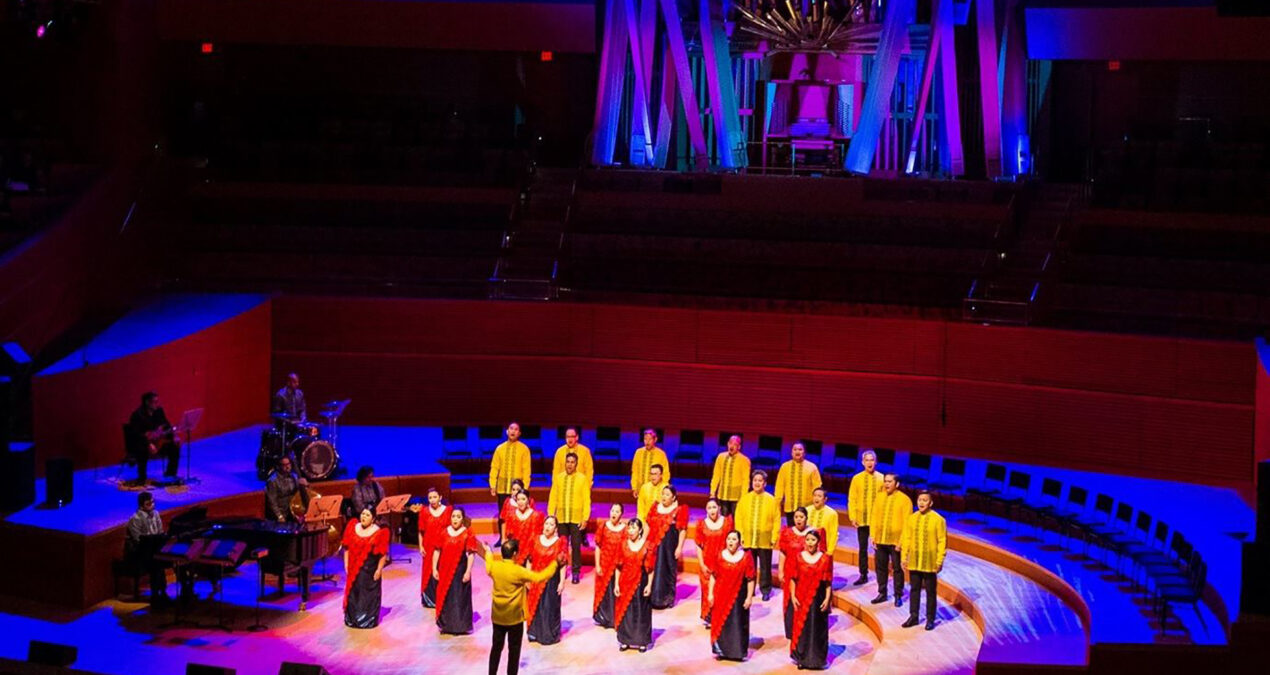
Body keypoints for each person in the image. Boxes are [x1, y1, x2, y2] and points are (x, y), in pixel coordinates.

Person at [482, 539, 560, 675]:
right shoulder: (519, 571)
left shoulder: (495, 567)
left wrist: (488, 551)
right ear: (515, 554)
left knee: (496, 648)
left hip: (498, 617)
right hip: (514, 618)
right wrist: (555, 564)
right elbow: (540, 577)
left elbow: (488, 563)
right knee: (514, 650)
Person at [901, 491, 947, 631]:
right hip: (915, 560)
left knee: (930, 591)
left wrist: (940, 561)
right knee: (914, 589)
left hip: (930, 562)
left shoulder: (938, 520)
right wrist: (904, 557)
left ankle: (930, 619)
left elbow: (942, 541)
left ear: (930, 503)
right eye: (920, 500)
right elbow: (907, 538)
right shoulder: (912, 518)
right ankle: (913, 616)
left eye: (925, 500)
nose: (921, 502)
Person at [789, 529, 834, 669]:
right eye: (807, 539)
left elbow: (828, 582)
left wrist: (827, 599)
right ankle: (802, 659)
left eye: (813, 540)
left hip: (818, 600)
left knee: (818, 629)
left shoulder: (825, 558)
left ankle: (817, 660)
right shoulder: (798, 557)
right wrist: (793, 596)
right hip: (801, 599)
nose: (810, 543)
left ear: (818, 542)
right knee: (803, 629)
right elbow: (793, 579)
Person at [708, 530, 755, 662]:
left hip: (738, 598)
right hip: (720, 596)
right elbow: (713, 575)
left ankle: (737, 652)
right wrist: (710, 594)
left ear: (739, 542)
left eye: (734, 539)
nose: (731, 542)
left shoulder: (745, 557)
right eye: (729, 539)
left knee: (737, 623)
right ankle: (721, 650)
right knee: (720, 623)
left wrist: (749, 597)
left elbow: (751, 578)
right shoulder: (719, 556)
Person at [735, 469, 781, 601]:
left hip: (765, 539)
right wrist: (740, 536)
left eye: (760, 481)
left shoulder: (771, 500)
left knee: (765, 566)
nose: (757, 483)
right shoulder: (745, 499)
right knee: (750, 566)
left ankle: (765, 589)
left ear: (765, 483)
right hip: (748, 538)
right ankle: (750, 589)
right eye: (755, 480)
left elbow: (777, 519)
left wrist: (773, 537)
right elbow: (738, 518)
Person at [434, 507, 481, 634]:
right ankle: (446, 625)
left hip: (459, 570)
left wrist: (468, 571)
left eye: (458, 517)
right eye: (453, 516)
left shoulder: (467, 533)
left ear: (462, 519)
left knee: (459, 598)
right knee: (446, 597)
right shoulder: (444, 532)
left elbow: (471, 554)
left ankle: (460, 626)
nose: (455, 519)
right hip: (444, 570)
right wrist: (434, 568)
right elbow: (437, 550)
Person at [779, 507, 823, 639]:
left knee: (804, 600)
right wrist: (780, 570)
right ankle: (791, 630)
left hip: (806, 574)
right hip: (790, 572)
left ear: (806, 518)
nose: (798, 519)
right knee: (789, 599)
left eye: (801, 517)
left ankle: (805, 629)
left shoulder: (813, 534)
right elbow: (783, 552)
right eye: (796, 517)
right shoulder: (787, 533)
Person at [548, 452, 592, 583]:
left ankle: (576, 572)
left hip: (576, 518)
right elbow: (553, 497)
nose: (570, 464)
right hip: (561, 518)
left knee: (576, 545)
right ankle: (561, 569)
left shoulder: (582, 478)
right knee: (562, 546)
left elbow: (586, 499)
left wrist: (585, 518)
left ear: (576, 464)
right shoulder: (559, 478)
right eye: (568, 462)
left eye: (573, 462)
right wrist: (551, 515)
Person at [342, 507, 390, 628]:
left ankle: (366, 620)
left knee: (366, 595)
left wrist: (379, 569)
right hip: (354, 569)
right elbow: (346, 548)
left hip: (369, 570)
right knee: (354, 593)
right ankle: (352, 619)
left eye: (367, 515)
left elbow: (382, 554)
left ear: (373, 518)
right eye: (363, 514)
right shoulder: (353, 527)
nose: (363, 517)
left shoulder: (379, 532)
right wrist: (346, 564)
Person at [869, 473, 912, 607]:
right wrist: (873, 535)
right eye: (885, 481)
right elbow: (874, 516)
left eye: (889, 482)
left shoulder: (905, 500)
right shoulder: (879, 497)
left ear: (897, 484)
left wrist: (902, 542)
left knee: (897, 568)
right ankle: (882, 592)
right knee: (880, 567)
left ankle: (898, 594)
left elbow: (907, 523)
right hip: (880, 539)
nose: (886, 484)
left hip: (896, 541)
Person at [525, 516, 569, 644]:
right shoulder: (535, 539)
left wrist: (562, 582)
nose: (547, 527)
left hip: (551, 582)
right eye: (546, 524)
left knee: (549, 608)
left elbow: (562, 564)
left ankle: (549, 635)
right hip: (536, 579)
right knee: (535, 606)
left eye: (551, 524)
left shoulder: (559, 542)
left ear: (555, 528)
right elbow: (529, 560)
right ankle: (534, 632)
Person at [613, 518, 655, 652]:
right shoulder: (623, 544)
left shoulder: (647, 545)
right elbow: (618, 567)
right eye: (629, 528)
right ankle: (625, 640)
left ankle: (641, 640)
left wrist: (649, 585)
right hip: (624, 582)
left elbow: (650, 568)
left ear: (640, 530)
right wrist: (616, 584)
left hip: (640, 583)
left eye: (634, 528)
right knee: (626, 612)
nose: (631, 531)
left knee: (641, 612)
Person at [645, 485, 689, 610]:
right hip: (654, 544)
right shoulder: (655, 507)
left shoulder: (679, 510)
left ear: (674, 497)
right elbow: (648, 525)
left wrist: (679, 547)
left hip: (669, 546)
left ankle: (666, 599)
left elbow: (682, 530)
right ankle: (651, 597)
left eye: (667, 494)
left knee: (667, 569)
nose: (664, 497)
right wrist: (643, 541)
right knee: (652, 567)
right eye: (663, 494)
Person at [693, 498, 733, 627]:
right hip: (707, 563)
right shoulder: (701, 524)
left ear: (719, 508)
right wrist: (701, 564)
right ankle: (709, 617)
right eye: (709, 508)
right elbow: (699, 545)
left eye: (714, 507)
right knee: (707, 591)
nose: (712, 510)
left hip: (722, 562)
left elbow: (732, 542)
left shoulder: (727, 523)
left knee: (722, 590)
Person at [490, 422, 532, 543]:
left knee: (517, 514)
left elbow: (527, 470)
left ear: (519, 433)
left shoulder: (524, 449)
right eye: (511, 428)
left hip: (518, 490)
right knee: (503, 514)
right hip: (503, 488)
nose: (513, 431)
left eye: (516, 429)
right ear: (507, 431)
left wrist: (525, 489)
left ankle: (516, 538)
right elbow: (494, 468)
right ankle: (501, 538)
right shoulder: (500, 448)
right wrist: (493, 484)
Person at [126, 391, 179, 484]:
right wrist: (148, 444)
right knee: (141, 450)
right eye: (154, 402)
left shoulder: (159, 411)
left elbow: (167, 425)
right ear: (147, 402)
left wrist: (174, 436)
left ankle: (170, 474)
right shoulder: (137, 415)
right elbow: (135, 434)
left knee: (174, 447)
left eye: (157, 402)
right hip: (142, 444)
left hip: (157, 443)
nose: (156, 404)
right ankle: (142, 478)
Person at [847, 450, 884, 585]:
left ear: (876, 462)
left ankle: (881, 576)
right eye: (867, 460)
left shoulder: (881, 478)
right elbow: (852, 498)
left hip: (877, 521)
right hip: (862, 519)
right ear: (863, 462)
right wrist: (852, 516)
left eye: (872, 460)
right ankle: (863, 574)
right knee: (863, 548)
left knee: (878, 549)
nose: (869, 462)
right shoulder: (857, 478)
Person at [124, 491, 168, 605]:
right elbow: (137, 539)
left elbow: (160, 532)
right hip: (138, 552)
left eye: (153, 502)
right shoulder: (135, 519)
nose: (152, 505)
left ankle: (162, 592)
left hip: (153, 549)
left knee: (161, 560)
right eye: (149, 503)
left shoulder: (156, 514)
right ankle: (155, 595)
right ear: (141, 505)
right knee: (155, 563)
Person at [593, 504, 627, 628]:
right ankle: (603, 617)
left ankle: (615, 617)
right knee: (604, 592)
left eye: (617, 511)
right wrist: (597, 565)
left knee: (615, 591)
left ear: (621, 514)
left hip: (618, 567)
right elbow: (598, 546)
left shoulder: (625, 529)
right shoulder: (603, 526)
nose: (614, 513)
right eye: (613, 510)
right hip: (604, 564)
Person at [418, 488, 452, 608]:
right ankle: (429, 599)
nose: (432, 500)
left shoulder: (448, 511)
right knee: (428, 571)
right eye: (430, 498)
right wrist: (421, 545)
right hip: (428, 545)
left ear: (440, 497)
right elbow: (421, 531)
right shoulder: (425, 512)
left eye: (434, 497)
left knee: (442, 569)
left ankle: (443, 596)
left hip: (443, 546)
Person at [775, 442, 823, 526]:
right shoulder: (785, 467)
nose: (797, 451)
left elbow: (817, 488)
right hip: (790, 507)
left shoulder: (812, 467)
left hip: (807, 508)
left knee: (806, 536)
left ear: (804, 452)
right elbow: (779, 486)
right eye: (795, 449)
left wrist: (817, 505)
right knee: (792, 534)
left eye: (800, 449)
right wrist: (777, 504)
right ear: (791, 452)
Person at [710, 435, 750, 518]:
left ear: (739, 447)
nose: (732, 446)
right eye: (730, 443)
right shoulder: (721, 457)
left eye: (735, 444)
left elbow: (745, 480)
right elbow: (716, 475)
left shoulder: (744, 460)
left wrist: (743, 497)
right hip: (723, 494)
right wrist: (712, 492)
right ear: (728, 444)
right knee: (724, 520)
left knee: (737, 520)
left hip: (736, 497)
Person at [504, 491, 544, 566]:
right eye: (518, 499)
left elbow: (538, 537)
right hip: (516, 553)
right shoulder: (511, 515)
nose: (520, 502)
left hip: (531, 552)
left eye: (523, 499)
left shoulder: (536, 516)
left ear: (528, 500)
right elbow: (509, 535)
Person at [265, 456, 308, 522]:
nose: (287, 467)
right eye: (284, 465)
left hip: (293, 511)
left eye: (288, 464)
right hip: (281, 512)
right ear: (279, 466)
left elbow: (302, 494)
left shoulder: (294, 476)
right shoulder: (272, 480)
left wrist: (306, 485)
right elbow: (272, 501)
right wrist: (279, 516)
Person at [630, 429, 670, 499]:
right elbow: (635, 471)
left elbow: (665, 473)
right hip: (641, 490)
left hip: (656, 492)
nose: (647, 442)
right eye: (645, 439)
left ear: (655, 439)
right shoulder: (638, 453)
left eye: (650, 439)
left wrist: (663, 489)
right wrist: (634, 487)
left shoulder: (661, 454)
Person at [498, 479, 533, 545]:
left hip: (525, 536)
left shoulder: (529, 502)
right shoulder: (508, 502)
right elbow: (503, 521)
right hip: (511, 537)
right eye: (513, 489)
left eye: (517, 489)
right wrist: (503, 538)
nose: (515, 492)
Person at [806, 487, 840, 554]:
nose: (816, 498)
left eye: (819, 496)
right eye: (815, 495)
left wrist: (830, 552)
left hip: (823, 549)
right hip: (807, 548)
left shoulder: (832, 513)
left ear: (825, 499)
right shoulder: (807, 510)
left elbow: (833, 534)